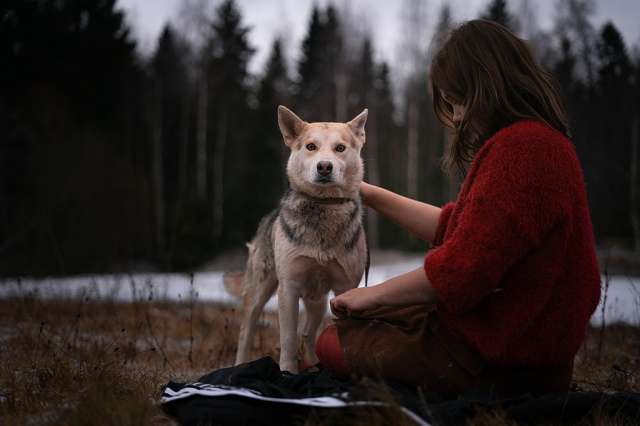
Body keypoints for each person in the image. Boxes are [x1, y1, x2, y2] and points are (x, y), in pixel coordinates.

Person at [314, 19, 601, 398]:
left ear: (485, 86)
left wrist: (370, 295)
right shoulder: (534, 142)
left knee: (329, 343)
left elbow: (461, 271)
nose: (457, 117)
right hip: (511, 341)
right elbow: (458, 228)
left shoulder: (524, 151)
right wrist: (362, 190)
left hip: (503, 360)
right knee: (358, 323)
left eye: (455, 100)